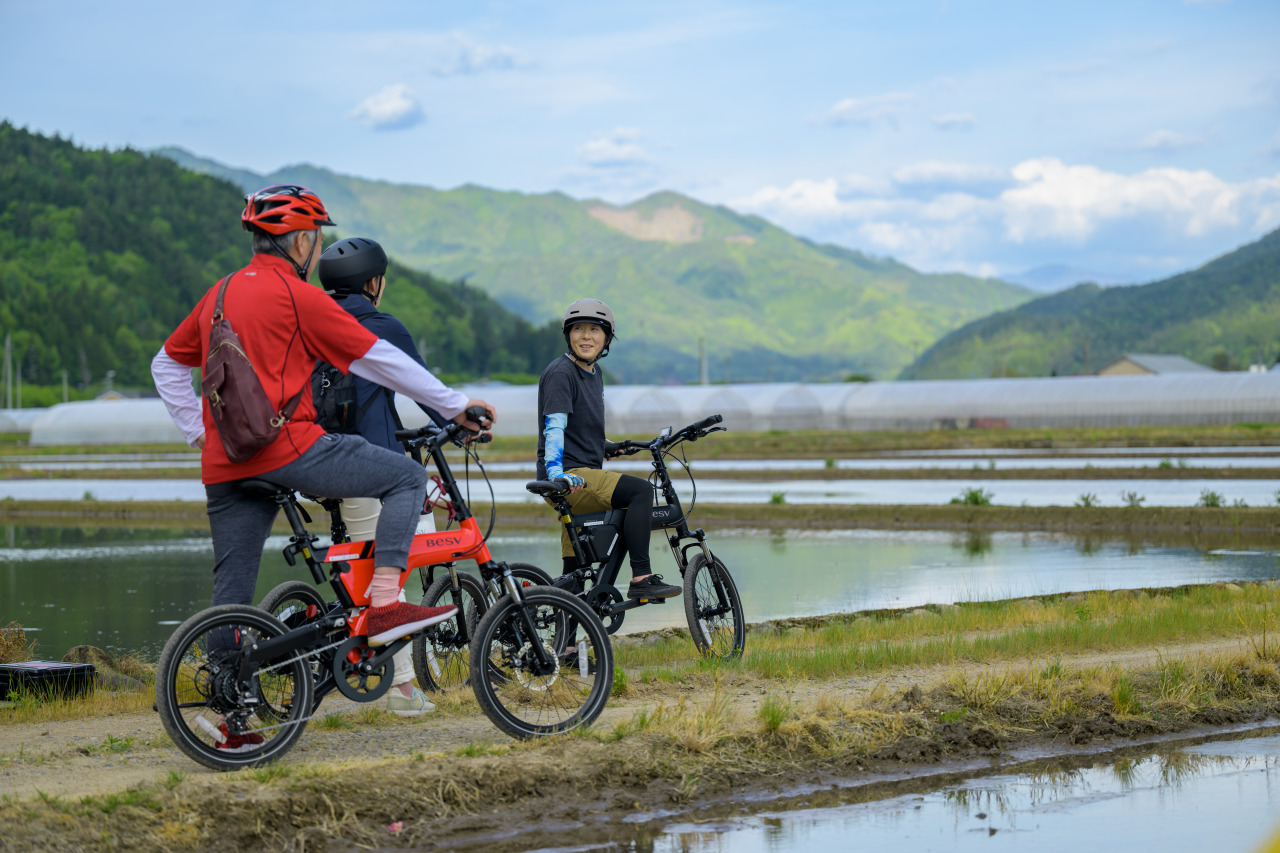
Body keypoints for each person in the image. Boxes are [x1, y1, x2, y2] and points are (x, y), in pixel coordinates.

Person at [151, 185, 494, 748]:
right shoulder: (296, 295)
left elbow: (165, 365)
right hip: (291, 450)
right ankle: (384, 603)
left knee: (231, 595)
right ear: (304, 241)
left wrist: (199, 432)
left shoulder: (219, 293)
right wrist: (457, 405)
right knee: (405, 477)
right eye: (315, 238)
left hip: (226, 464)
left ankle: (230, 714)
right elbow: (379, 359)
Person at [314, 235, 453, 716]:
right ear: (374, 282)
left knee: (362, 570)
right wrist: (460, 426)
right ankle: (404, 691)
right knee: (390, 578)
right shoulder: (382, 327)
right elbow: (425, 390)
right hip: (379, 468)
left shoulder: (311, 322)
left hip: (319, 460)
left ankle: (369, 668)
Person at [536, 298, 681, 600]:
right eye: (578, 329)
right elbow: (554, 428)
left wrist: (605, 447)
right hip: (570, 477)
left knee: (575, 568)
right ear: (568, 334)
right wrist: (556, 473)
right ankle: (641, 577)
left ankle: (564, 646)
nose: (586, 336)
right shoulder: (562, 373)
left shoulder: (593, 373)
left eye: (594, 330)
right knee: (640, 492)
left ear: (607, 339)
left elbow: (579, 427)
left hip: (582, 475)